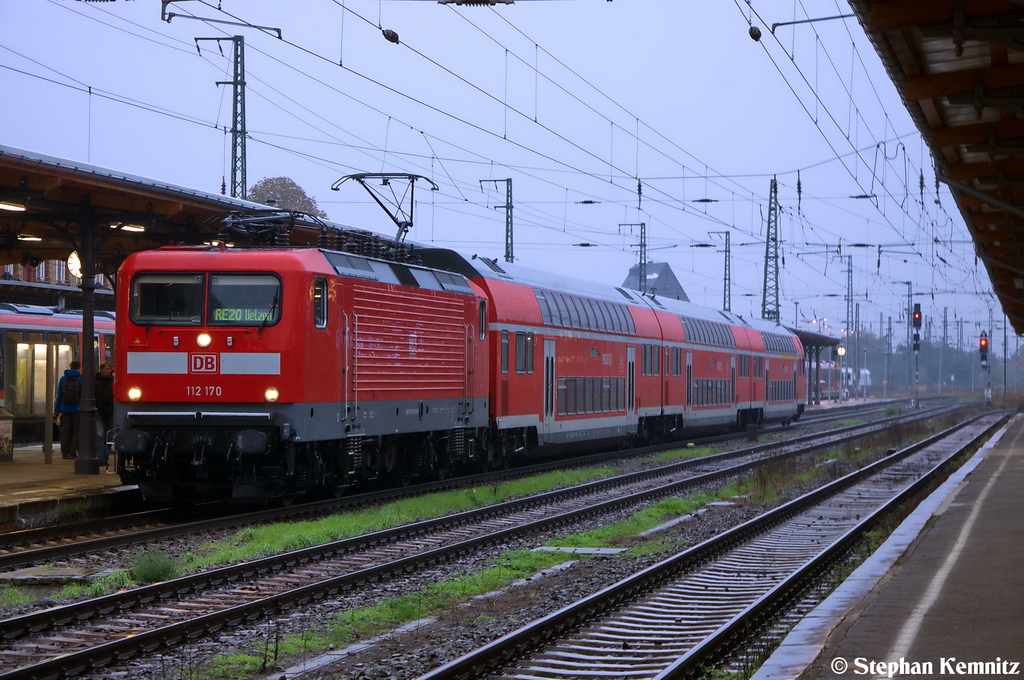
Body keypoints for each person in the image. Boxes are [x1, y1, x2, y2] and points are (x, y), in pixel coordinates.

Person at [55, 360, 82, 460]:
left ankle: (64, 453)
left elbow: (59, 395)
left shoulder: (63, 378)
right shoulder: (80, 379)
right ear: (79, 367)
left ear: (70, 367)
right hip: (77, 408)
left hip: (65, 408)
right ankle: (72, 453)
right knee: (76, 431)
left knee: (66, 430)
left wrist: (57, 408)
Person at [95, 362, 114, 466]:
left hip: (110, 411)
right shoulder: (95, 381)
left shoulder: (113, 381)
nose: (109, 371)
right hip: (99, 411)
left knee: (109, 436)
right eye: (107, 369)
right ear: (101, 369)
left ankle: (104, 457)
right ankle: (101, 458)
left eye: (110, 369)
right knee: (100, 435)